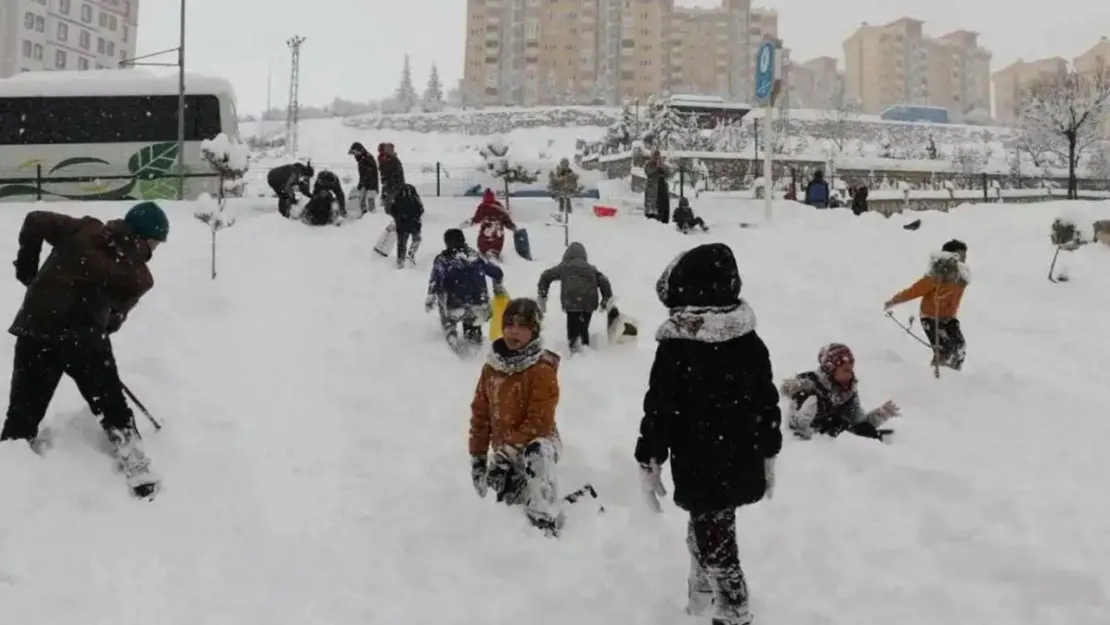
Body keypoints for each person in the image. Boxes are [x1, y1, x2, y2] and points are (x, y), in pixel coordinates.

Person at [634, 242, 781, 625]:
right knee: (712, 524)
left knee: (717, 540)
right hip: (740, 454)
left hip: (700, 459)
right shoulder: (748, 341)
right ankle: (701, 598)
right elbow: (766, 402)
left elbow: (660, 407)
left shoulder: (678, 347)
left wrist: (649, 456)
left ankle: (733, 612)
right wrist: (768, 449)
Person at [2, 202, 169, 497]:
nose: (155, 248)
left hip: (35, 330)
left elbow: (34, 219)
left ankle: (10, 471)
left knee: (23, 414)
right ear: (146, 238)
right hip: (83, 341)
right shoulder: (139, 276)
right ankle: (137, 467)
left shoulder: (83, 229)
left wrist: (28, 269)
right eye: (156, 241)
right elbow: (114, 320)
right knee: (111, 406)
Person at [469, 298, 565, 537]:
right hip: (504, 454)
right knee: (510, 510)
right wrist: (479, 459)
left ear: (533, 332)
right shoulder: (492, 368)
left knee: (537, 452)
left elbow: (539, 421)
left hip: (539, 445)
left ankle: (547, 520)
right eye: (508, 324)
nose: (513, 330)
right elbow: (481, 415)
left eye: (521, 325)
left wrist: (507, 454)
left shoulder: (541, 369)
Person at [781, 343, 901, 442]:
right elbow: (788, 429)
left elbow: (857, 425)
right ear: (830, 369)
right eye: (845, 370)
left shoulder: (846, 392)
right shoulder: (807, 387)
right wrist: (800, 425)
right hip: (815, 448)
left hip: (836, 438)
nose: (850, 375)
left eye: (851, 369)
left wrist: (877, 417)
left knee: (876, 435)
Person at [884, 239, 970, 370]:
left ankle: (954, 375)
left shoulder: (962, 276)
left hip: (949, 318)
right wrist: (894, 300)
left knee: (960, 347)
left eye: (964, 256)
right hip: (930, 317)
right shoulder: (937, 275)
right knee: (943, 349)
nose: (963, 260)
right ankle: (936, 377)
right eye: (959, 256)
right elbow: (914, 291)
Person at [426, 229, 506, 354]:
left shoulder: (442, 260)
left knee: (443, 298)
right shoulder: (475, 256)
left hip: (455, 306)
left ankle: (450, 334)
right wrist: (498, 288)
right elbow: (497, 272)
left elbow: (435, 281)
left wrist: (430, 298)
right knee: (473, 322)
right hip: (480, 305)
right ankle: (474, 346)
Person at [536, 242, 612, 353]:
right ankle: (584, 344)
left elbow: (546, 275)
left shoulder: (565, 266)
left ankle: (574, 348)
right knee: (584, 325)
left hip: (571, 300)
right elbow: (604, 281)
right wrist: (606, 299)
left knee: (573, 325)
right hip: (589, 300)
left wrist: (543, 293)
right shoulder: (591, 268)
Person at [463, 189, 517, 261]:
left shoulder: (483, 207)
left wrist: (466, 224)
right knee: (494, 253)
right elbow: (506, 221)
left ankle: (487, 261)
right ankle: (495, 260)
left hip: (485, 237)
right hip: (498, 236)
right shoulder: (499, 207)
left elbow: (476, 219)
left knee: (484, 255)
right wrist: (513, 227)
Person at [391, 184, 424, 268]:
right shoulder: (415, 198)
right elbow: (421, 210)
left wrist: (398, 217)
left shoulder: (397, 199)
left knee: (402, 243)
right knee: (417, 239)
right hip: (414, 224)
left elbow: (392, 210)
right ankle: (411, 253)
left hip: (401, 224)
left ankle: (400, 261)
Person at [348, 141, 379, 214]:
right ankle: (366, 216)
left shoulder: (365, 159)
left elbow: (368, 174)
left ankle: (370, 217)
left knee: (368, 200)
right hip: (367, 184)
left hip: (370, 185)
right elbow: (364, 174)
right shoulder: (363, 159)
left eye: (355, 153)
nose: (354, 155)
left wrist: (362, 183)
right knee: (363, 201)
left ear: (359, 151)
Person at [643, 149, 671, 223]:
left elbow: (668, 173)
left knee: (663, 205)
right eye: (655, 155)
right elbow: (648, 172)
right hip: (652, 187)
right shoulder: (648, 164)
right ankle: (652, 219)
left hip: (662, 186)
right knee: (652, 205)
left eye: (658, 155)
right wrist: (656, 168)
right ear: (652, 156)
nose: (656, 157)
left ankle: (664, 220)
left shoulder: (662, 164)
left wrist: (662, 166)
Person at [377, 142, 406, 214]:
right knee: (390, 203)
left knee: (390, 204)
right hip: (391, 185)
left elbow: (385, 170)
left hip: (394, 185)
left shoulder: (391, 159)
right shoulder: (388, 158)